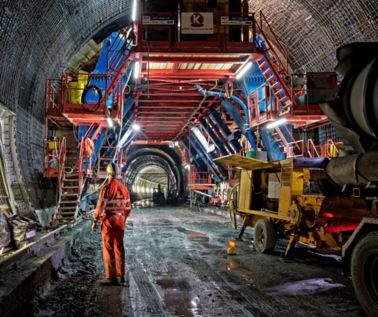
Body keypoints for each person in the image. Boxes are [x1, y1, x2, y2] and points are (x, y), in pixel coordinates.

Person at [91, 162, 131, 285]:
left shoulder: (106, 188)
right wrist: (122, 218)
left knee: (108, 247)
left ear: (108, 174)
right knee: (119, 247)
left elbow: (99, 207)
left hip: (108, 220)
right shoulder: (124, 188)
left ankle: (111, 277)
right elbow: (128, 208)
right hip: (120, 220)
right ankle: (121, 276)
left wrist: (95, 220)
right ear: (118, 173)